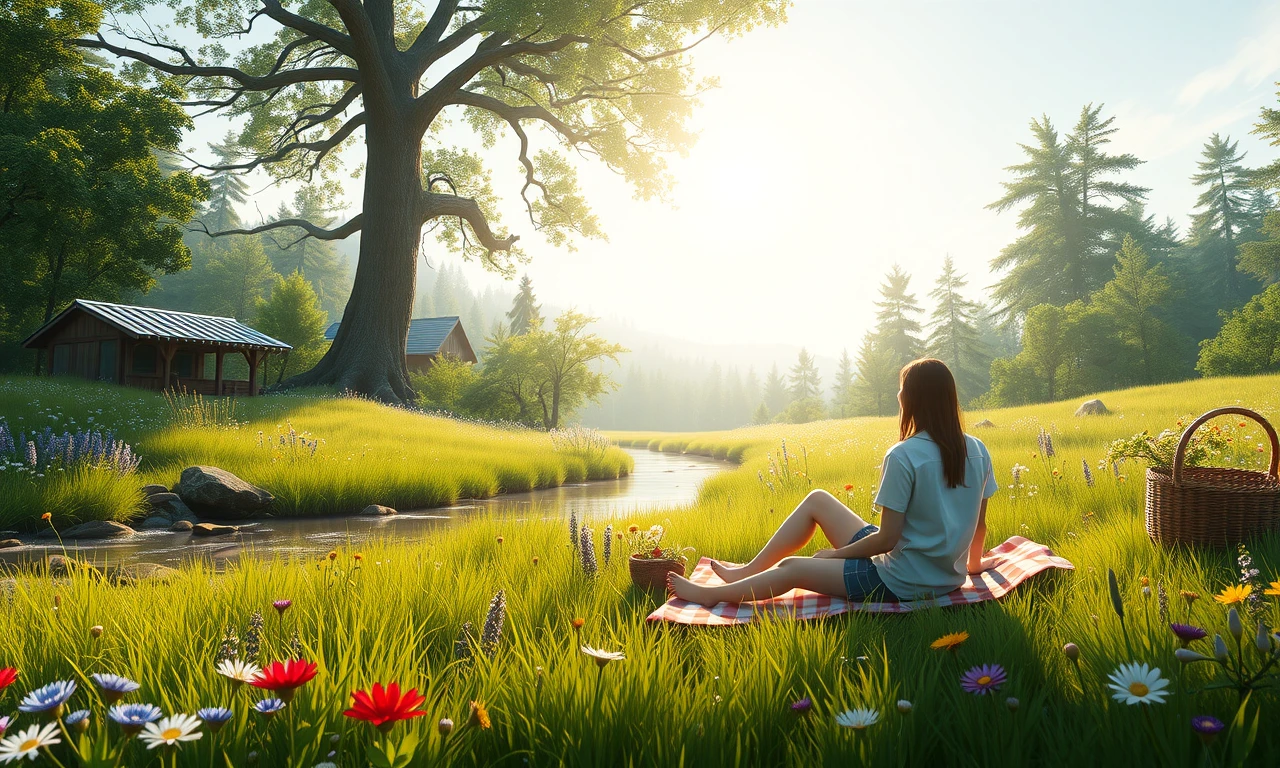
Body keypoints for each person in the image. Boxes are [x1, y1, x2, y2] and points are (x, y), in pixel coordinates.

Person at [669, 358, 997, 607]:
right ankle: (747, 571)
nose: (898, 394)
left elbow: (886, 540)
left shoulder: (903, 455)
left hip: (901, 581)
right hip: (942, 576)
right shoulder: (978, 450)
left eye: (902, 388)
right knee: (818, 500)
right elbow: (977, 526)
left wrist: (834, 556)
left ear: (912, 399)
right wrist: (974, 566)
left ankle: (713, 597)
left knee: (793, 567)